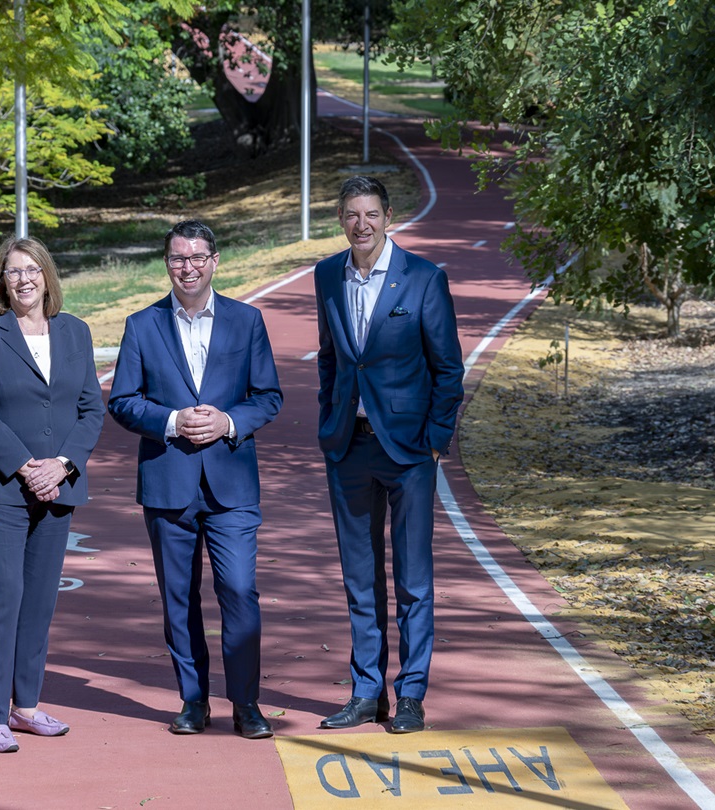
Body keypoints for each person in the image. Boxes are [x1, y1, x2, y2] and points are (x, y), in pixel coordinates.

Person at [108, 220, 283, 740]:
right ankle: (193, 699)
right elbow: (121, 400)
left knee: (240, 591)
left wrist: (228, 422)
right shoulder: (141, 325)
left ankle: (246, 703)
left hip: (231, 485)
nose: (189, 267)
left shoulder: (246, 320)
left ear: (216, 260)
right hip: (168, 483)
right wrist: (170, 420)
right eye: (179, 258)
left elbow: (267, 396)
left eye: (198, 257)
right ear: (167, 264)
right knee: (179, 599)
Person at [314, 176, 465, 734]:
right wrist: (331, 417)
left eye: (371, 214)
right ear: (341, 219)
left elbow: (448, 367)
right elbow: (331, 359)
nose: (362, 224)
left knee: (412, 581)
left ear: (388, 216)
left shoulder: (423, 279)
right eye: (352, 214)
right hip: (348, 448)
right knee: (360, 580)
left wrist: (434, 437)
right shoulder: (327, 274)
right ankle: (366, 693)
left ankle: (411, 697)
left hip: (407, 453)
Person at [0, 236, 105, 753]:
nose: (23, 280)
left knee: (40, 601)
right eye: (12, 272)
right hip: (1, 488)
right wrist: (25, 466)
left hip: (58, 486)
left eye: (32, 270)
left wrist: (62, 465)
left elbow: (91, 409)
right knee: (3, 597)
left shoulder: (75, 332)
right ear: (1, 281)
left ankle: (25, 707)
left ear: (48, 276)